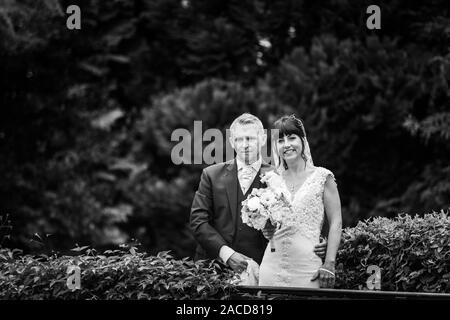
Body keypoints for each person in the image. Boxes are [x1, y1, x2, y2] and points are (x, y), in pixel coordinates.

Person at [190, 113, 327, 275]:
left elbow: (298, 215)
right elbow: (198, 221)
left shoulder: (278, 177)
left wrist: (318, 241)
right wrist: (227, 254)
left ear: (262, 139)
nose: (244, 145)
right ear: (232, 142)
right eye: (239, 139)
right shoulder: (211, 175)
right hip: (213, 269)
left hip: (262, 270)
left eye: (250, 139)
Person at [259, 115, 342, 288]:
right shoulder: (271, 180)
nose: (286, 144)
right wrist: (266, 229)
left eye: (291, 138)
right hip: (271, 266)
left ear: (303, 140)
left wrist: (329, 263)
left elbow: (336, 222)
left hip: (307, 267)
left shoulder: (322, 177)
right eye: (280, 140)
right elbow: (269, 228)